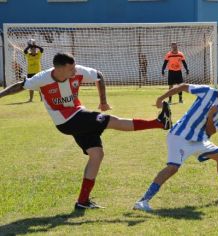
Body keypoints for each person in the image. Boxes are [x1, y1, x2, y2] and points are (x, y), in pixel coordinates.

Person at [0, 52, 172, 210]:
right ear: (59, 69)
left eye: (75, 67)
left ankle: (82, 201)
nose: (75, 71)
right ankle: (159, 123)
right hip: (65, 120)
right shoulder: (42, 78)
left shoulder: (79, 71)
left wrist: (103, 101)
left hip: (77, 115)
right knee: (112, 121)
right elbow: (20, 85)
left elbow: (99, 76)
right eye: (71, 69)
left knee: (96, 154)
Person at [133, 74, 218, 212]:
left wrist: (210, 116)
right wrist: (160, 98)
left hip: (200, 139)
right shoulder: (207, 91)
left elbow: (211, 131)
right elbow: (183, 86)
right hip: (179, 135)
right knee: (172, 168)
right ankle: (142, 201)